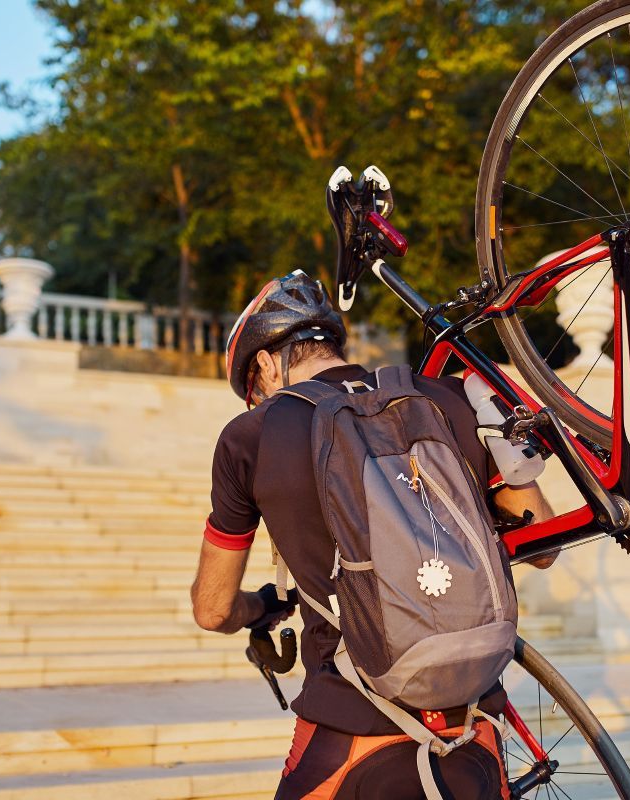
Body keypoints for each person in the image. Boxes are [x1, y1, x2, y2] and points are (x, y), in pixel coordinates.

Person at [191, 270, 556, 799]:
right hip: (475, 726)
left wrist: (263, 608)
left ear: (266, 363)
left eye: (254, 388)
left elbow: (212, 608)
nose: (258, 400)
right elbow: (542, 542)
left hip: (349, 731)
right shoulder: (447, 396)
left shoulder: (250, 436)